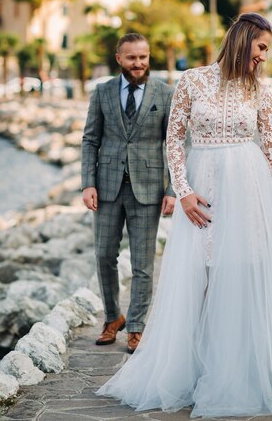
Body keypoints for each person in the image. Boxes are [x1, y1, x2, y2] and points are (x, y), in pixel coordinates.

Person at [97, 13, 272, 416]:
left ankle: (239, 368)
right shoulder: (192, 80)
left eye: (266, 50)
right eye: (260, 47)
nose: (263, 56)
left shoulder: (262, 89)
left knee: (240, 272)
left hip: (248, 185)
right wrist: (183, 193)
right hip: (202, 187)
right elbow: (173, 142)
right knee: (198, 276)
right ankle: (192, 370)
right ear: (242, 41)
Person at [81, 33, 176, 354]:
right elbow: (90, 140)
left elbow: (175, 145)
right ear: (119, 58)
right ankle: (112, 318)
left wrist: (174, 189)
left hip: (148, 189)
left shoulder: (165, 94)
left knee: (143, 264)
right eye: (132, 58)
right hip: (106, 187)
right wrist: (88, 183)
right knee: (104, 256)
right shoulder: (102, 92)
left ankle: (136, 326)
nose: (139, 64)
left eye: (144, 57)